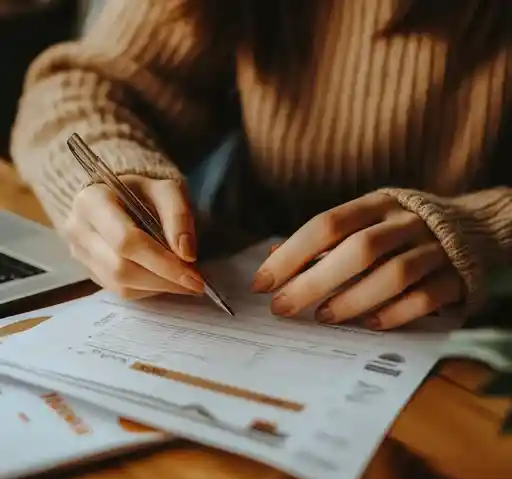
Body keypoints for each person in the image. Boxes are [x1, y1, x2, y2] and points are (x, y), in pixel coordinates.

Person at [10, 0, 512, 330]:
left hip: (474, 356)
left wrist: (488, 234)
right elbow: (80, 86)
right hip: (245, 289)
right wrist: (109, 177)